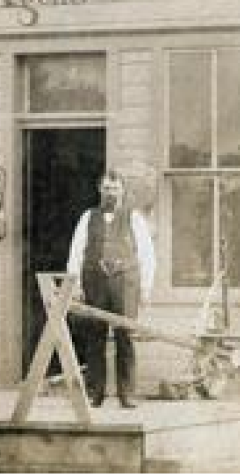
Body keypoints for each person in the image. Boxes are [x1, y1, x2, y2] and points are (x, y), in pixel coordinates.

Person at [66, 169, 155, 409]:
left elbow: (147, 255)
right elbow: (76, 251)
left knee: (125, 336)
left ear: (123, 191)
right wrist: (74, 285)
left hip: (125, 283)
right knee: (95, 336)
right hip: (94, 282)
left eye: (115, 188)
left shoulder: (133, 217)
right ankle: (96, 393)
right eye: (106, 188)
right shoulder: (88, 217)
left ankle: (127, 394)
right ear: (99, 190)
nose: (110, 193)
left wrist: (146, 288)